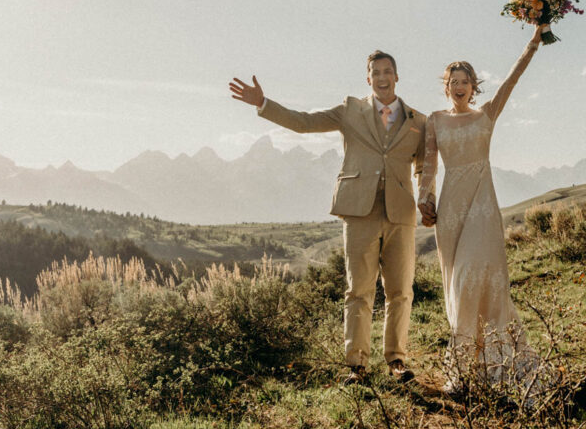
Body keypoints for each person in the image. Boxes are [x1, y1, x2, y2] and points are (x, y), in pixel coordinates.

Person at [229, 51, 426, 385]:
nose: (381, 77)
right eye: (375, 72)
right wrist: (263, 103)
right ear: (368, 78)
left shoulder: (417, 121)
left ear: (397, 76)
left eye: (387, 71)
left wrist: (427, 197)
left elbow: (423, 166)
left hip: (401, 213)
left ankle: (397, 360)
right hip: (358, 210)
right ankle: (357, 365)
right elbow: (305, 123)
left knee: (400, 291)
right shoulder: (350, 110)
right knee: (358, 290)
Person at [417, 24, 545, 395]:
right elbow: (428, 166)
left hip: (483, 208)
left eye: (465, 81)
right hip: (451, 211)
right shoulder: (435, 120)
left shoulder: (487, 113)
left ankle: (500, 363)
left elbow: (512, 79)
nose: (459, 86)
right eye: (453, 81)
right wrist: (424, 199)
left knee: (483, 277)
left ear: (474, 86)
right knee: (458, 285)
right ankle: (465, 369)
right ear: (446, 86)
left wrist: (533, 42)